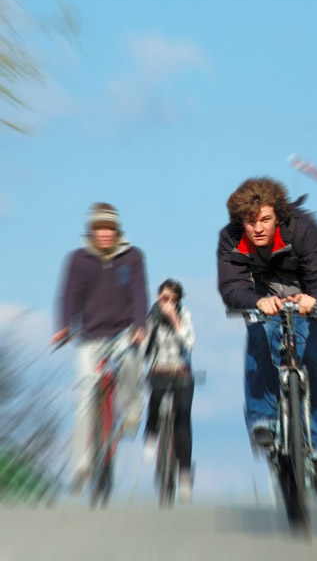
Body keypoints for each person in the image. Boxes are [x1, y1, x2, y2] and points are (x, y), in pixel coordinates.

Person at [217, 177, 317, 496]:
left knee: (315, 360)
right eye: (250, 221)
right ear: (240, 221)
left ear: (279, 216)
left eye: (265, 220)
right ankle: (263, 419)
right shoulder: (230, 239)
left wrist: (316, 298)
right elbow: (231, 288)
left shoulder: (303, 227)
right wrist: (256, 301)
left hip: (308, 298)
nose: (257, 228)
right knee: (261, 335)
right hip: (264, 300)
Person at [51, 202, 149, 492]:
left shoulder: (132, 257)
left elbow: (139, 293)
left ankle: (131, 411)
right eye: (99, 229)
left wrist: (140, 326)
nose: (105, 234)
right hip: (90, 336)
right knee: (83, 394)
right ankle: (81, 462)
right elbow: (69, 295)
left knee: (131, 364)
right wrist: (64, 325)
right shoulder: (78, 260)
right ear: (91, 232)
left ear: (117, 231)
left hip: (124, 332)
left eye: (110, 229)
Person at [141, 279, 195, 503]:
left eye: (173, 300)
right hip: (158, 370)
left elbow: (189, 343)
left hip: (180, 371)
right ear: (158, 297)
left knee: (182, 418)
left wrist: (174, 320)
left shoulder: (184, 316)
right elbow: (142, 348)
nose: (168, 303)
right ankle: (151, 435)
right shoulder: (150, 316)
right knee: (154, 399)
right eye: (165, 298)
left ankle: (184, 473)